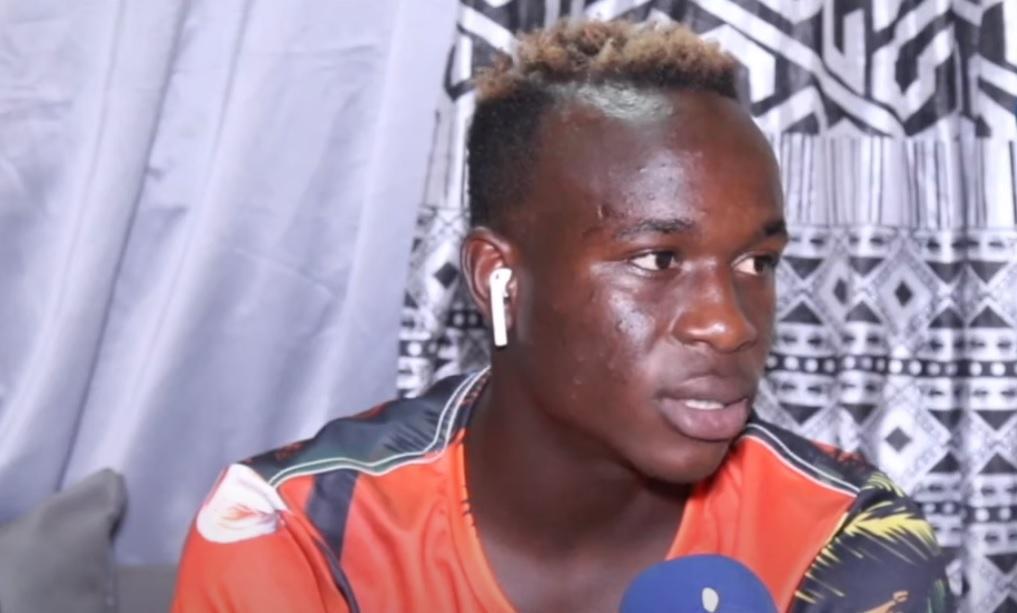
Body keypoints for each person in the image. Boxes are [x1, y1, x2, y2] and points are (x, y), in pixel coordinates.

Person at [172, 20, 952, 612]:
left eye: (756, 262)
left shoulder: (847, 537)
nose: (728, 324)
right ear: (499, 278)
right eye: (657, 259)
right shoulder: (298, 530)